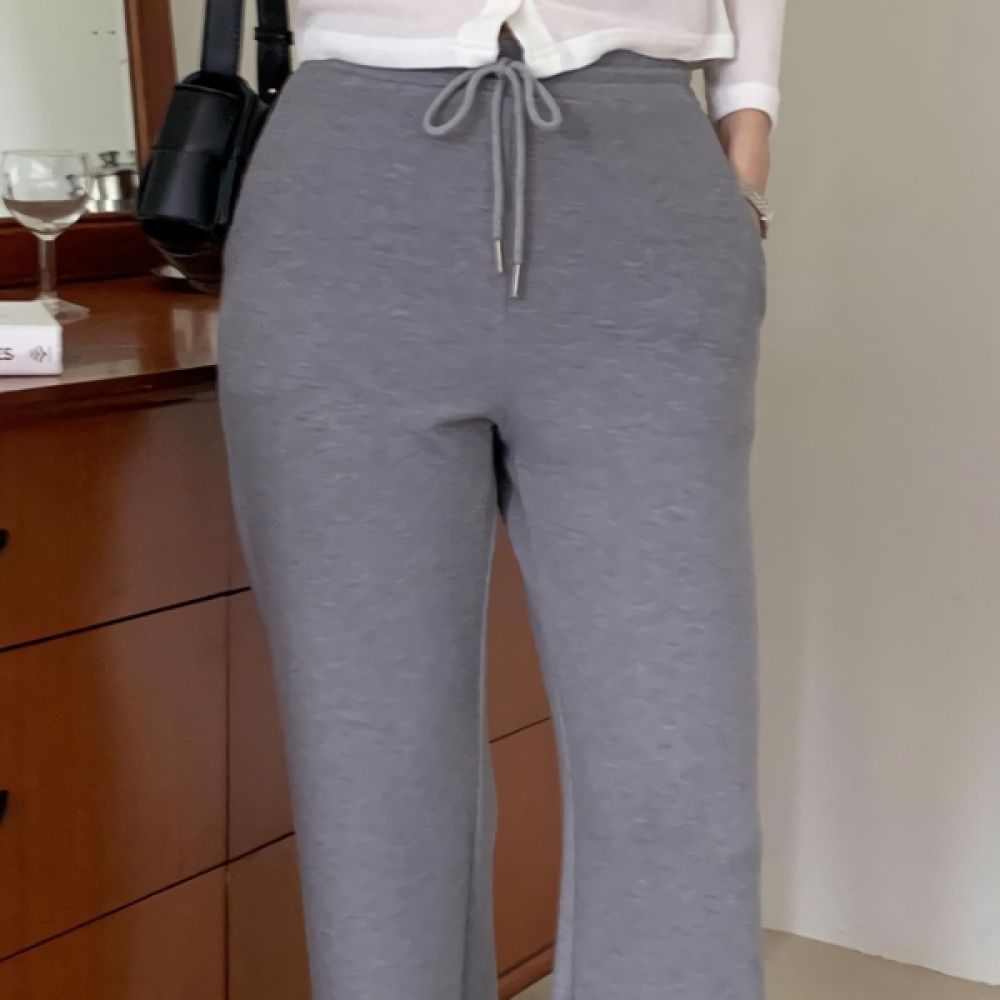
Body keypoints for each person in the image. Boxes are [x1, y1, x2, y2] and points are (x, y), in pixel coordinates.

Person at [218, 2, 786, 999]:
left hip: (639, 176)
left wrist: (748, 122)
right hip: (346, 183)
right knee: (373, 769)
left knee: (677, 758)